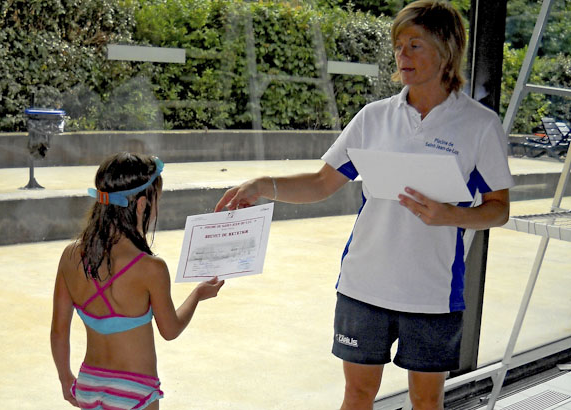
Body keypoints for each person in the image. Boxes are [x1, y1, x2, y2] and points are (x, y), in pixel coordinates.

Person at [214, 1, 514, 409]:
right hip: (363, 287)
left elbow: (499, 207)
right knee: (357, 394)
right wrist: (262, 185)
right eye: (398, 45)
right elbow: (322, 182)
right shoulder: (374, 118)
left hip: (432, 294)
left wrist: (453, 215)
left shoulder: (480, 125)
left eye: (415, 45)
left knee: (427, 402)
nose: (402, 55)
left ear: (446, 51)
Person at [51, 152, 224, 409]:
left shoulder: (71, 256)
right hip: (135, 391)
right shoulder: (150, 268)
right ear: (142, 204)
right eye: (157, 201)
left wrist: (66, 380)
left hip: (89, 384)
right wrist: (197, 295)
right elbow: (170, 330)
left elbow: (58, 330)